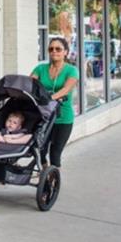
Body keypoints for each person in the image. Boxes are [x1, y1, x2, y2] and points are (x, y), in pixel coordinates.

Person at [31, 37, 80, 168]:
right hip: (44, 116)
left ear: (65, 52)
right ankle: (46, 173)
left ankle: (52, 180)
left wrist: (49, 98)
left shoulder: (71, 70)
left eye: (58, 49)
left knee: (55, 152)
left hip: (63, 117)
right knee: (40, 149)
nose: (54, 51)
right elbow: (30, 83)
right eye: (51, 49)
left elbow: (66, 89)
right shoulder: (40, 68)